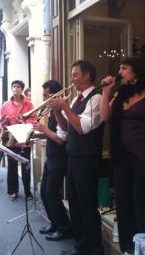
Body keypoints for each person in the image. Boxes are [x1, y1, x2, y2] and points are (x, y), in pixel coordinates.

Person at [100, 56, 145, 255]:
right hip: (122, 157)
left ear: (136, 73)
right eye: (119, 68)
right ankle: (128, 248)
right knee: (123, 203)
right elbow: (105, 117)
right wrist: (106, 92)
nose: (120, 72)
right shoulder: (120, 95)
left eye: (124, 68)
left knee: (143, 203)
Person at [51, 60, 104, 255]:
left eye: (75, 75)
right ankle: (80, 246)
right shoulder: (75, 100)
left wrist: (64, 106)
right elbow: (66, 128)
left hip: (87, 159)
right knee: (74, 204)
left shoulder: (96, 98)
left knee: (87, 205)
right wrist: (57, 111)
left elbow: (82, 128)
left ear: (87, 75)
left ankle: (95, 249)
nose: (72, 79)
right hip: (73, 157)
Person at [33, 80, 72, 241]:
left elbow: (61, 139)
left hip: (60, 157)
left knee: (52, 194)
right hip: (51, 156)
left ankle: (64, 228)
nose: (44, 99)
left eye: (47, 95)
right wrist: (37, 134)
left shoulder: (62, 111)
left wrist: (43, 130)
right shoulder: (51, 111)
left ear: (56, 95)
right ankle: (55, 223)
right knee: (44, 192)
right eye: (44, 96)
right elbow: (51, 133)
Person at [0, 80, 35, 201]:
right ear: (11, 88)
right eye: (13, 86)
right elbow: (2, 122)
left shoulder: (29, 104)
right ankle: (13, 191)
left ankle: (27, 191)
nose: (15, 88)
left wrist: (24, 122)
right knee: (12, 165)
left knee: (26, 165)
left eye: (18, 86)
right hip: (12, 138)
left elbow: (34, 119)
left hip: (25, 138)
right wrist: (6, 121)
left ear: (22, 89)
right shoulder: (6, 105)